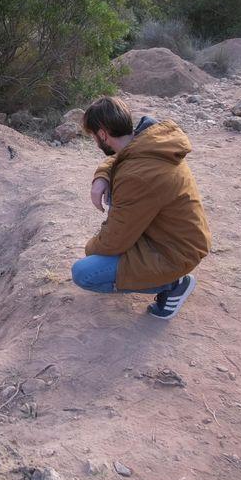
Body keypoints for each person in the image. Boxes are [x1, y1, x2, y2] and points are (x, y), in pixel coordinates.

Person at [72, 96, 211, 319]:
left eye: (94, 136)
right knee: (103, 249)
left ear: (103, 135)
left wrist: (91, 250)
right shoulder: (149, 143)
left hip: (174, 253)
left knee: (85, 272)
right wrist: (102, 177)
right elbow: (119, 158)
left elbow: (113, 242)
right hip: (175, 239)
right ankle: (160, 276)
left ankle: (173, 284)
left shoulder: (136, 175)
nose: (95, 142)